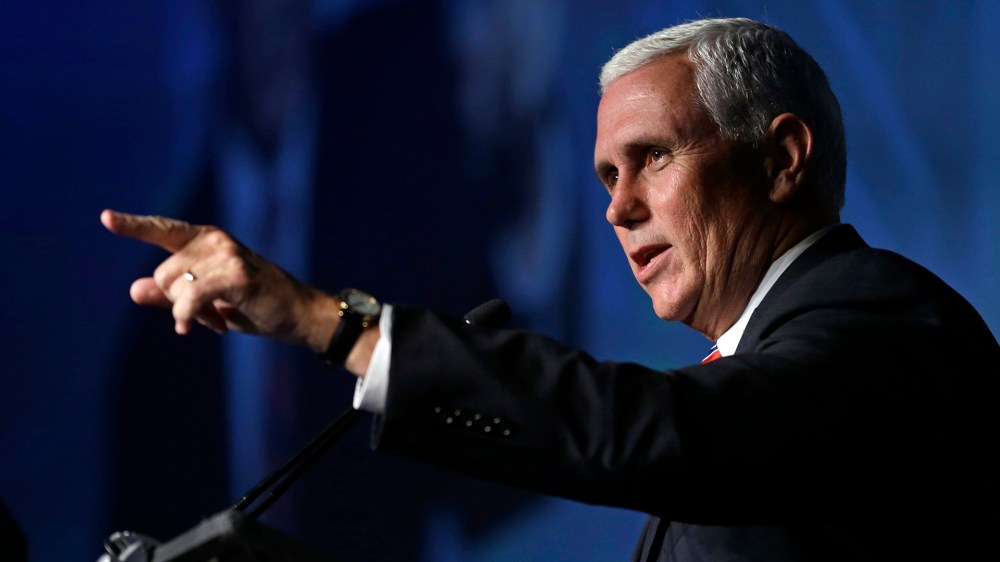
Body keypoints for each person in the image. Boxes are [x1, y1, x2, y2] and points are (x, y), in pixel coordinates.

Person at [102, 17, 998, 562]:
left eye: (651, 158)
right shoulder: (775, 365)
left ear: (781, 158)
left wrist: (327, 323)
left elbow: (666, 432)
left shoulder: (889, 325)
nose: (616, 208)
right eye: (606, 173)